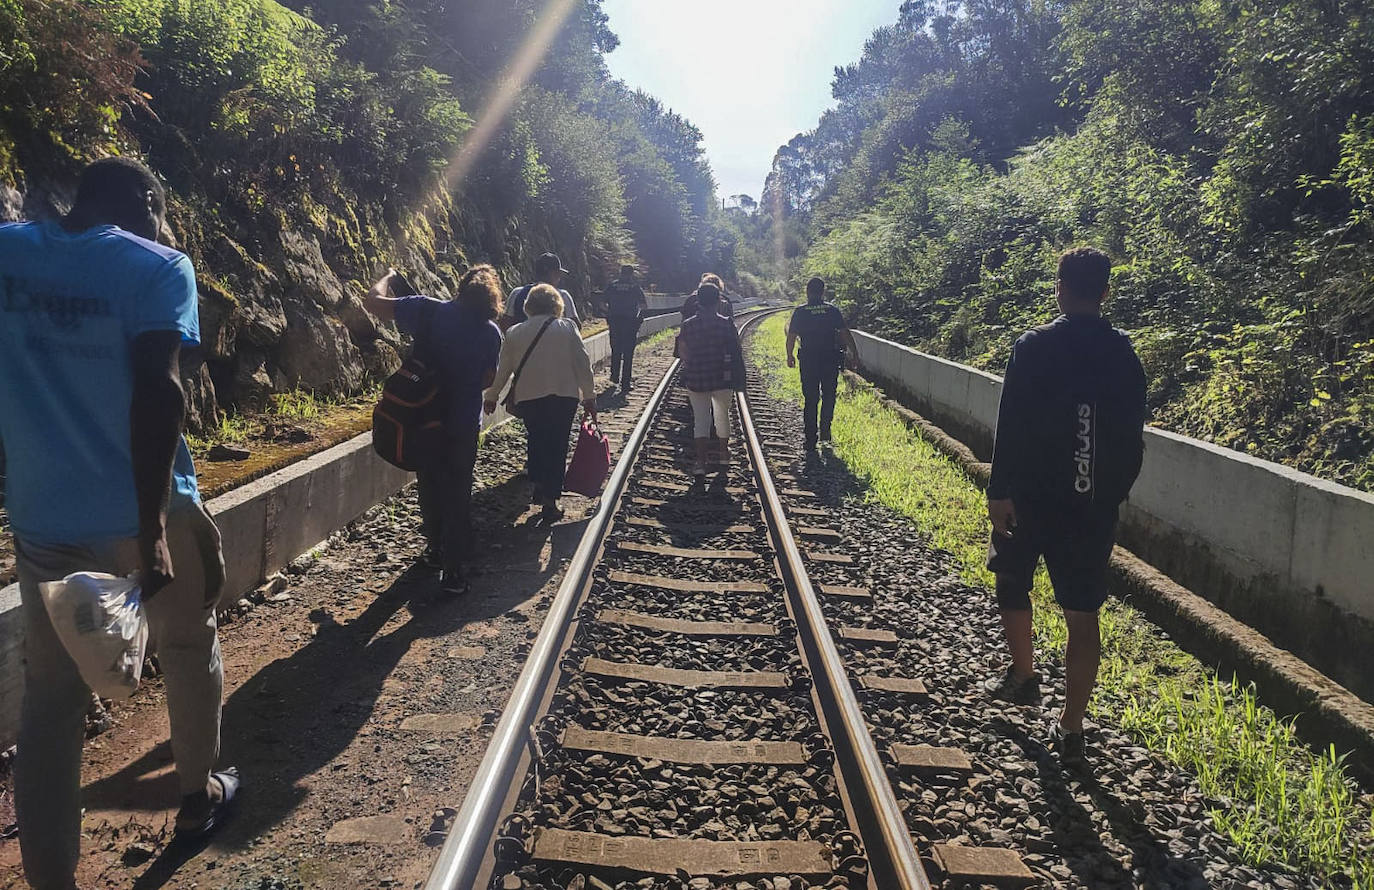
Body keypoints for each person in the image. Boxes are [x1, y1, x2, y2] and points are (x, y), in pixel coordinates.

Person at [0, 157, 237, 890]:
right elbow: (161, 391)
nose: (165, 226)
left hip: (43, 518)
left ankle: (50, 881)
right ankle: (196, 801)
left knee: (51, 701)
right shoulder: (158, 265)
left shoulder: (8, 251)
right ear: (144, 202)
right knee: (190, 643)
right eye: (161, 210)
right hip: (145, 510)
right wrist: (151, 527)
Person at [983, 246, 1147, 768]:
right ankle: (1072, 725)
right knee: (1082, 615)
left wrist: (999, 491)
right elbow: (1132, 437)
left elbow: (1009, 426)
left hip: (1030, 500)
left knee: (1011, 581)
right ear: (1105, 292)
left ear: (1058, 287)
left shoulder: (1033, 347)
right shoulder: (1124, 355)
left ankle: (1024, 676)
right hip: (1090, 508)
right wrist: (1108, 494)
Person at [365, 265, 503, 595]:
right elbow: (488, 380)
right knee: (458, 493)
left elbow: (372, 302)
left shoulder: (427, 310)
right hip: (463, 426)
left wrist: (389, 275)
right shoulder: (490, 333)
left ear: (460, 287)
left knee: (428, 483)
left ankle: (434, 548)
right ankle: (454, 572)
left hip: (424, 419)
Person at [484, 284, 596, 523]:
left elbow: (503, 369)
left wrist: (491, 396)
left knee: (536, 439)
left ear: (528, 307)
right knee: (557, 445)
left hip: (530, 398)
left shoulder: (514, 332)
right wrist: (589, 395)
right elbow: (582, 363)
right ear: (558, 305)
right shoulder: (567, 328)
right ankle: (550, 499)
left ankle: (539, 483)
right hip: (564, 397)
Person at [675, 282, 746, 480]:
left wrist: (692, 364)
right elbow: (736, 351)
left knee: (701, 420)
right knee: (722, 415)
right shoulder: (726, 323)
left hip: (697, 378)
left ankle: (700, 463)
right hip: (723, 378)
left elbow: (682, 352)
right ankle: (723, 455)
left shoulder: (688, 325)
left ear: (698, 301)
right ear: (718, 301)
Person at [786, 277, 858, 452]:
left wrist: (789, 355)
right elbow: (844, 332)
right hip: (829, 359)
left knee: (811, 398)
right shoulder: (832, 310)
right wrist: (855, 353)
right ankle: (825, 430)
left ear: (807, 292)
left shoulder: (801, 311)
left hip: (809, 360)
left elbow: (792, 336)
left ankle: (810, 437)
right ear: (823, 292)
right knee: (829, 395)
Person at [502, 252, 581, 332]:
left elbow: (505, 323)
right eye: (558, 273)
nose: (559, 277)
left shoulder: (517, 293)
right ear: (553, 274)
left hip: (522, 343)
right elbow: (575, 327)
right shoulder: (563, 296)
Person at [600, 264, 647, 392]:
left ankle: (614, 377)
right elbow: (643, 305)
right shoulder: (635, 287)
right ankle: (625, 383)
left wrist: (610, 312)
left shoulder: (612, 286)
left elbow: (602, 303)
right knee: (628, 353)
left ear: (620, 273)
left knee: (616, 350)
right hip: (630, 323)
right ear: (631, 274)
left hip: (615, 322)